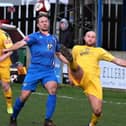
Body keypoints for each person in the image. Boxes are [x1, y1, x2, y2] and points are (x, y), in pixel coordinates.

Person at [3, 14, 68, 126]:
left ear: (48, 23)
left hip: (48, 71)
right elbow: (20, 43)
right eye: (42, 21)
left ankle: (48, 120)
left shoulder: (53, 39)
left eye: (46, 21)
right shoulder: (33, 37)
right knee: (24, 96)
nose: (44, 23)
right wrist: (7, 49)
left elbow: (58, 54)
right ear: (38, 25)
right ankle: (13, 117)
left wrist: (69, 62)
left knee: (52, 89)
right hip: (34, 71)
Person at [61, 30, 126, 126]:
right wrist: (70, 77)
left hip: (93, 83)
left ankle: (92, 124)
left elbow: (116, 60)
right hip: (80, 75)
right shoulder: (77, 48)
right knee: (74, 64)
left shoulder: (99, 51)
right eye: (88, 36)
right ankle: (69, 58)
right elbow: (69, 65)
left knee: (97, 111)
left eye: (93, 37)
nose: (90, 38)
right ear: (84, 38)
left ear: (95, 40)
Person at [0, 28, 13, 114]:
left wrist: (1, 58)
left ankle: (9, 105)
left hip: (3, 64)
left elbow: (11, 50)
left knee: (5, 86)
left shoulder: (4, 35)